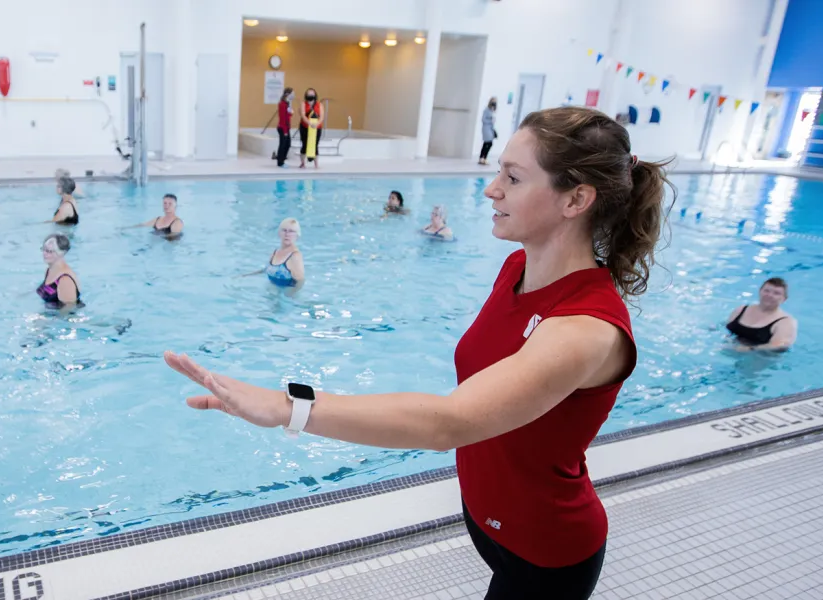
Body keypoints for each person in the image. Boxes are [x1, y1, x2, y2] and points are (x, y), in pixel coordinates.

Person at [164, 106, 670, 599]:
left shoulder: (585, 329)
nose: (491, 188)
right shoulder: (516, 269)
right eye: (499, 172)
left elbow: (449, 423)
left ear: (575, 199)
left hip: (545, 553)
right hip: (487, 522)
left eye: (513, 178)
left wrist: (286, 408)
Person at [726, 277, 797, 351]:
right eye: (766, 291)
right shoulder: (741, 310)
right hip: (730, 351)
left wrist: (749, 349)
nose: (769, 295)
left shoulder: (786, 322)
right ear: (760, 291)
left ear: (784, 299)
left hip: (760, 358)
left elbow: (778, 346)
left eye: (776, 293)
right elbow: (725, 327)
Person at [242, 218, 305, 287]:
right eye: (284, 230)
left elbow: (300, 282)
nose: (287, 234)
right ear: (279, 233)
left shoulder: (295, 256)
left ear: (297, 235)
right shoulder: (275, 252)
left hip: (285, 295)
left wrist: (287, 295)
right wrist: (245, 276)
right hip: (272, 292)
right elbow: (267, 269)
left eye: (291, 231)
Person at [38, 233, 82, 307]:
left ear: (61, 253)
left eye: (50, 251)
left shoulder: (65, 279)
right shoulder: (49, 270)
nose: (45, 254)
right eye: (44, 249)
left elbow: (68, 309)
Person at [298, 88, 323, 169]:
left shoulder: (319, 105)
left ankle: (316, 164)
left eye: (312, 94)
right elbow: (303, 115)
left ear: (315, 95)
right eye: (309, 94)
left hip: (317, 128)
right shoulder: (303, 104)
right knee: (304, 144)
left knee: (315, 145)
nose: (310, 96)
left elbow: (322, 117)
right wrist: (309, 123)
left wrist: (317, 124)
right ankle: (303, 163)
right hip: (305, 127)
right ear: (306, 95)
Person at [275, 87, 295, 167]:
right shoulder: (282, 104)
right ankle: (280, 162)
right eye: (293, 94)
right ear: (288, 94)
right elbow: (283, 118)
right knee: (283, 145)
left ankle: (282, 159)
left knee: (288, 144)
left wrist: (291, 112)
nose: (294, 95)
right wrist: (285, 131)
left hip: (286, 127)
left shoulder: (287, 103)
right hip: (283, 128)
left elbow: (288, 116)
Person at [479, 97, 499, 166]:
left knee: (487, 143)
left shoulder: (492, 110)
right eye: (493, 102)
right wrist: (490, 121)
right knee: (488, 143)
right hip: (486, 128)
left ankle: (483, 158)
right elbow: (483, 120)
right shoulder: (486, 110)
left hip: (490, 129)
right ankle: (482, 158)